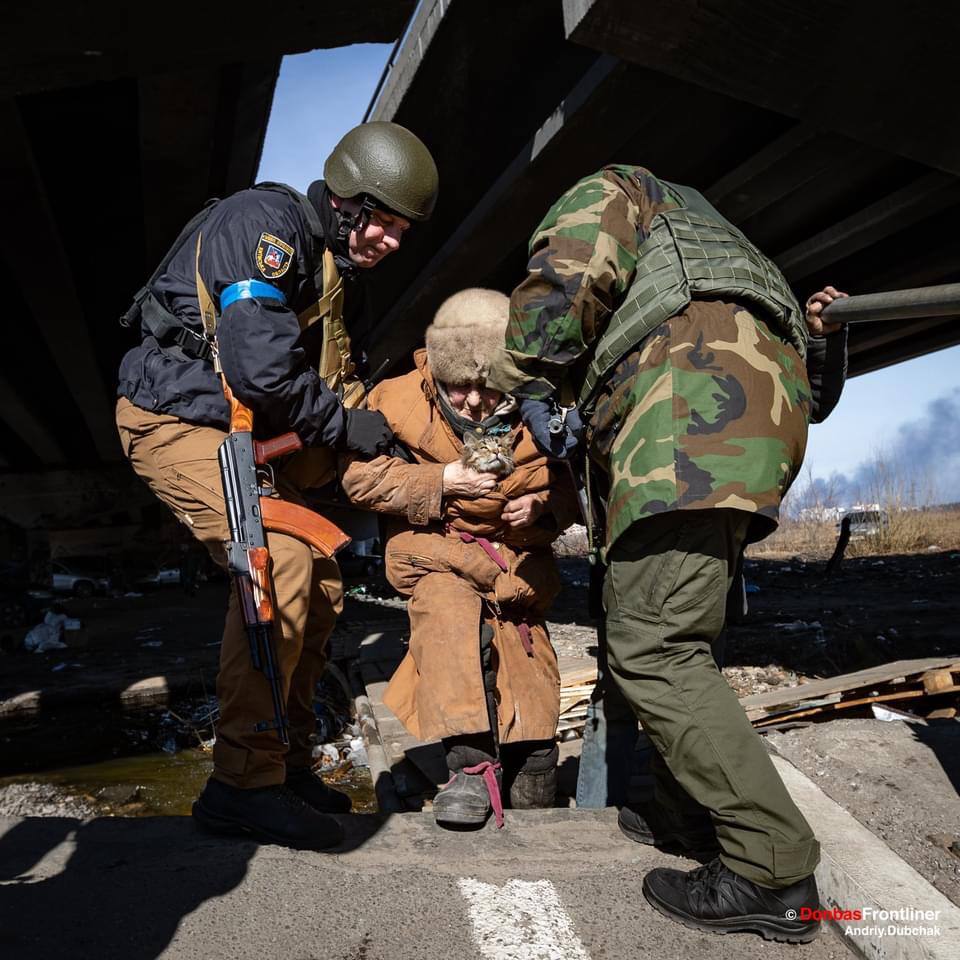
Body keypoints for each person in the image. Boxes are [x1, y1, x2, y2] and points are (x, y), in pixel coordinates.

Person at [486, 164, 827, 942]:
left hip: (690, 406)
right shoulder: (714, 235)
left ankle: (772, 867)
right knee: (680, 633)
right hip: (750, 415)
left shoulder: (617, 185)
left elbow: (561, 286)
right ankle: (690, 820)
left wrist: (523, 377)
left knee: (656, 647)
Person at [115, 121, 439, 850]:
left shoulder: (328, 271)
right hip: (173, 419)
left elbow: (320, 380)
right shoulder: (270, 227)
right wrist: (341, 424)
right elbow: (262, 370)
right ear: (348, 198)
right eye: (382, 222)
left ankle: (285, 764)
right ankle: (241, 786)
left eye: (401, 232)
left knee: (320, 578)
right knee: (277, 564)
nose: (389, 241)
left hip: (229, 430)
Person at [576, 285, 850, 810]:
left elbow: (809, 401)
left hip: (684, 520)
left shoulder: (733, 326)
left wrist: (820, 342)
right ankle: (611, 814)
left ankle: (696, 820)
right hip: (631, 528)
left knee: (677, 673)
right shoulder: (637, 329)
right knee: (642, 680)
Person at [341, 289, 578, 827]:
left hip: (516, 567)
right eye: (458, 387)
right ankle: (469, 769)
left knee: (529, 685)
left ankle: (531, 764)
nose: (473, 401)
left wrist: (543, 508)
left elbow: (578, 485)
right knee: (448, 618)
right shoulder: (396, 399)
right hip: (436, 554)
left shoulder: (543, 408)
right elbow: (359, 478)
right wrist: (440, 480)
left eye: (488, 387)